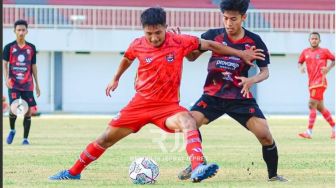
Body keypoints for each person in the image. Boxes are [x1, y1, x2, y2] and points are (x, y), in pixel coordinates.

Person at [49, 7, 265, 182]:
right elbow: (127, 58)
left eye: (158, 33)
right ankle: (73, 172)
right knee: (105, 139)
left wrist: (240, 53)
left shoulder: (180, 41)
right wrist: (116, 78)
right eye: (148, 33)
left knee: (189, 121)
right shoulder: (137, 44)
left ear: (166, 28)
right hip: (139, 106)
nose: (153, 38)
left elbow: (210, 44)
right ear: (144, 31)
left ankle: (198, 167)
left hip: (167, 107)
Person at [176, 0, 287, 182]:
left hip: (240, 97)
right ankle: (198, 162)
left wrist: (252, 80)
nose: (228, 23)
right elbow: (192, 58)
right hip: (212, 96)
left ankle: (273, 176)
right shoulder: (212, 36)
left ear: (243, 17)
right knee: (187, 123)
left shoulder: (254, 41)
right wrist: (182, 46)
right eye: (225, 18)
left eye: (233, 19)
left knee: (265, 135)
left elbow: (265, 72)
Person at [3, 19, 40, 145]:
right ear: (14, 31)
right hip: (13, 83)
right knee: (13, 108)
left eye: (23, 30)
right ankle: (12, 130)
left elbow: (33, 66)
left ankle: (25, 139)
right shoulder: (9, 47)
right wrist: (6, 78)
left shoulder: (31, 48)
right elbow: (4, 64)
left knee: (29, 111)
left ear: (27, 31)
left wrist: (37, 85)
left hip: (28, 84)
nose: (21, 32)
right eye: (19, 30)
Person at [297, 32, 335, 139]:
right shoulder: (305, 52)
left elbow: (334, 59)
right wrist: (301, 67)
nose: (314, 40)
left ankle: (309, 132)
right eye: (312, 38)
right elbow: (299, 62)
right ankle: (334, 128)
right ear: (309, 40)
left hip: (320, 82)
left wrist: (328, 68)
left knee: (311, 104)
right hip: (311, 83)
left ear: (319, 40)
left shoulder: (324, 51)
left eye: (316, 39)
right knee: (321, 108)